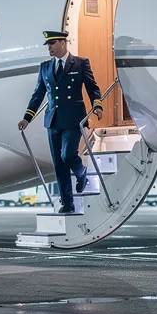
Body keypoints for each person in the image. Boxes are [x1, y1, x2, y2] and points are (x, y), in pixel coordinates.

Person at [18, 30, 102, 214]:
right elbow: (38, 94)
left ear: (63, 43)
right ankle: (67, 203)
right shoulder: (45, 67)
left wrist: (97, 106)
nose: (49, 48)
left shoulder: (80, 63)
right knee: (58, 164)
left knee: (67, 155)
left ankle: (81, 172)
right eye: (48, 45)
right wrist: (27, 117)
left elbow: (92, 87)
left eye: (52, 43)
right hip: (53, 120)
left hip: (73, 118)